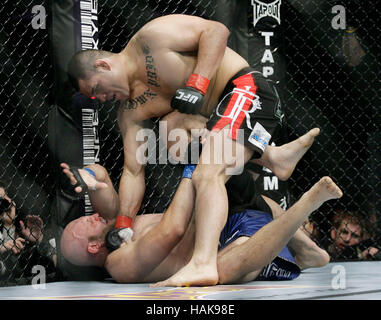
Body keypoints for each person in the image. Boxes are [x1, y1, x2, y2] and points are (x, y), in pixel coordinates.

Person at [67, 13, 321, 286]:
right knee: (171, 131)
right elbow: (133, 171)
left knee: (205, 176)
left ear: (103, 65)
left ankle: (203, 263)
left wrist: (198, 83)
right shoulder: (130, 112)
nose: (102, 99)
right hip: (220, 123)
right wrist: (123, 225)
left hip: (243, 90)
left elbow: (216, 31)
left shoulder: (150, 39)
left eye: (97, 90)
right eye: (95, 98)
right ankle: (273, 158)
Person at [60, 162, 341, 285]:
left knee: (199, 142)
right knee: (226, 269)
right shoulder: (122, 264)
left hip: (222, 213)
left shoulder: (113, 227)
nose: (92, 215)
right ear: (96, 247)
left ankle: (306, 249)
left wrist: (87, 177)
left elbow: (102, 178)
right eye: (86, 223)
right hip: (232, 239)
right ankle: (308, 202)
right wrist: (192, 171)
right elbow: (174, 229)